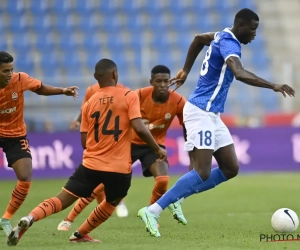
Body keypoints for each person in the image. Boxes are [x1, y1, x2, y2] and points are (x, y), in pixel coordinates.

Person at [137, 8, 296, 237]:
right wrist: (273, 85)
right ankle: (153, 210)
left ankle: (177, 197)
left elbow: (198, 39)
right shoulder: (230, 44)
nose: (254, 35)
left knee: (230, 168)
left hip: (212, 114)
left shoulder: (221, 35)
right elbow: (239, 73)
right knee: (201, 171)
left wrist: (185, 70)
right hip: (200, 111)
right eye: (251, 30)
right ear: (240, 26)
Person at [7, 58, 167, 246]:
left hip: (91, 164)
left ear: (95, 77)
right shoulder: (129, 95)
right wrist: (156, 148)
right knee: (112, 201)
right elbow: (139, 128)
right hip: (118, 167)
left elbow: (84, 141)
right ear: (115, 74)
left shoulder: (90, 102)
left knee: (61, 200)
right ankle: (81, 233)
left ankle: (30, 217)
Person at [57, 65, 188, 231]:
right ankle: (69, 219)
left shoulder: (178, 101)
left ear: (170, 82)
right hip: (129, 144)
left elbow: (186, 124)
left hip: (153, 146)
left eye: (165, 81)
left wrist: (189, 145)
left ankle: (151, 214)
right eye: (158, 81)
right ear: (151, 82)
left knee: (163, 180)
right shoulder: (138, 95)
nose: (162, 85)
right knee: (100, 185)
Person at [0, 51, 79, 237]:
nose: (10, 74)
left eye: (11, 70)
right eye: (5, 71)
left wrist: (62, 90)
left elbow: (39, 88)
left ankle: (5, 218)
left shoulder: (20, 79)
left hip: (15, 135)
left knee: (25, 177)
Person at [69, 81, 130, 219]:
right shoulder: (92, 90)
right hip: (97, 139)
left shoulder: (124, 90)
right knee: (98, 176)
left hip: (116, 139)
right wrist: (78, 120)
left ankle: (119, 203)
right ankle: (102, 207)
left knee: (114, 174)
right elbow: (85, 108)